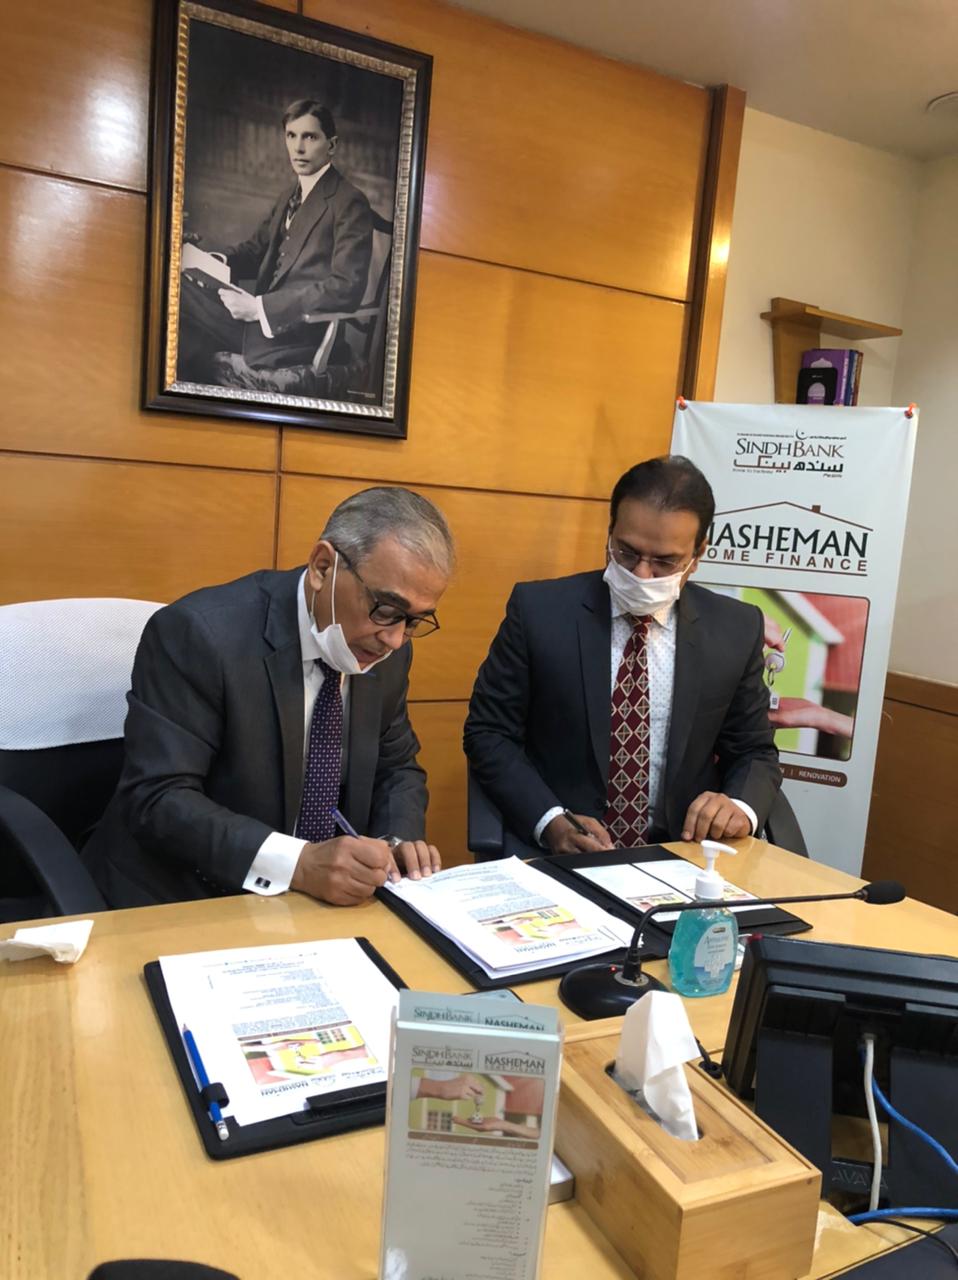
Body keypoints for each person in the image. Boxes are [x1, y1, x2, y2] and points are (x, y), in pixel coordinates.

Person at [84, 487, 453, 908]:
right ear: (323, 567)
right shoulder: (200, 635)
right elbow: (158, 798)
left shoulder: (386, 652)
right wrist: (299, 864)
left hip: (311, 905)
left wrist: (395, 840)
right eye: (385, 609)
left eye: (414, 621)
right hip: (183, 894)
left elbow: (397, 767)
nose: (395, 639)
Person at [463, 455, 782, 855]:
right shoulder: (539, 612)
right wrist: (550, 821)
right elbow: (489, 733)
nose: (641, 573)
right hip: (561, 850)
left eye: (664, 561)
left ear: (698, 554)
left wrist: (740, 807)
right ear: (610, 532)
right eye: (627, 552)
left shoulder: (735, 628)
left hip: (683, 853)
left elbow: (754, 750)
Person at [176, 98, 373, 387]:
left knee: (178, 297)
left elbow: (346, 287)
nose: (298, 148)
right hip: (262, 324)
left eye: (310, 137)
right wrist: (212, 262)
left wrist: (260, 308)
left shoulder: (349, 202)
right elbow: (257, 250)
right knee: (182, 288)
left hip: (297, 334)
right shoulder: (289, 195)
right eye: (291, 136)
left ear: (331, 145)